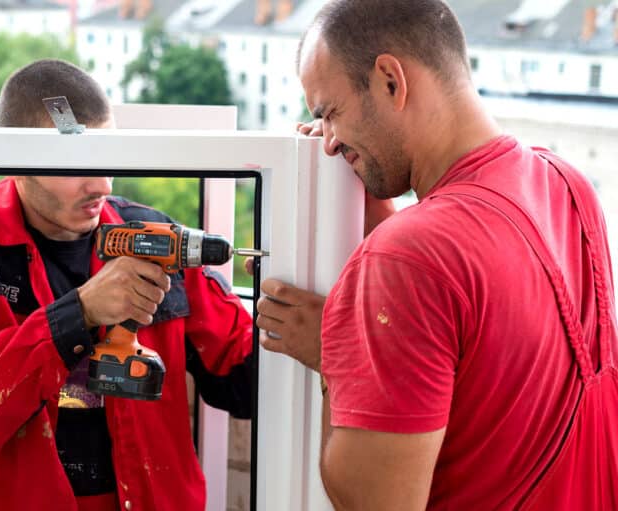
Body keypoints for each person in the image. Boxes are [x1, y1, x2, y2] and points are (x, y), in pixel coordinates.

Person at [256, 0, 618, 509]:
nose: (330, 143)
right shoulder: (567, 184)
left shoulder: (408, 259)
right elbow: (484, 353)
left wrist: (338, 356)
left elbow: (372, 502)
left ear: (389, 80)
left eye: (330, 112)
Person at [0, 59, 253, 511]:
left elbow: (247, 382)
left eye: (108, 157)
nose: (101, 184)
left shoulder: (150, 236)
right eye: (76, 163)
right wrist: (80, 313)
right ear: (18, 160)